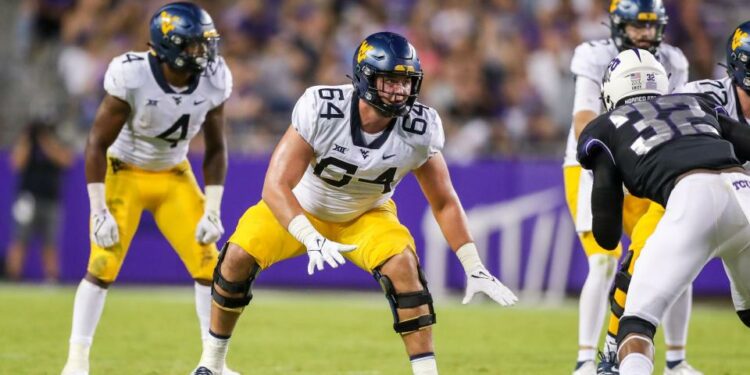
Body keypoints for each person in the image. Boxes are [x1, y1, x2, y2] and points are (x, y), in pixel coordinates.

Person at [190, 31, 518, 375]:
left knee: (404, 268)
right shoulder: (323, 108)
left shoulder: (421, 127)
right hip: (302, 206)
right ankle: (212, 364)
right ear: (364, 77)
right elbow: (275, 186)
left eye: (406, 81)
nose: (399, 90)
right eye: (389, 80)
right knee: (236, 258)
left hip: (367, 214)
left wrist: (472, 263)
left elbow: (445, 202)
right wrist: (308, 235)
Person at [61, 3, 238, 375]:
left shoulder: (215, 77)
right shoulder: (132, 74)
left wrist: (213, 207)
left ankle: (214, 364)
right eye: (193, 46)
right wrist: (98, 210)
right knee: (103, 262)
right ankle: (76, 361)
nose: (203, 54)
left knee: (210, 264)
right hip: (124, 169)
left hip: (174, 172)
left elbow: (217, 148)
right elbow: (95, 143)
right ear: (168, 46)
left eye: (205, 44)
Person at [578, 48, 750, 375]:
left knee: (636, 324)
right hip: (744, 193)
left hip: (692, 197)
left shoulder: (603, 127)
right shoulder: (696, 103)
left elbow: (606, 232)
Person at [561, 2, 700, 374]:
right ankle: (586, 361)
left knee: (676, 255)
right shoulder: (593, 55)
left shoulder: (674, 59)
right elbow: (584, 119)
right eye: (636, 25)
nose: (643, 33)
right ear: (618, 25)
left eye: (650, 26)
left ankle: (676, 360)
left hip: (645, 164)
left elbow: (678, 116)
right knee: (604, 261)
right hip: (594, 162)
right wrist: (607, 158)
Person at [6, 119, 73, 282]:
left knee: (51, 242)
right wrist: (26, 140)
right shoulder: (27, 141)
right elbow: (16, 164)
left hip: (51, 200)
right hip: (27, 200)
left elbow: (66, 160)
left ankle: (51, 277)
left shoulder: (57, 140)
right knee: (20, 239)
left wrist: (46, 141)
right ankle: (12, 276)